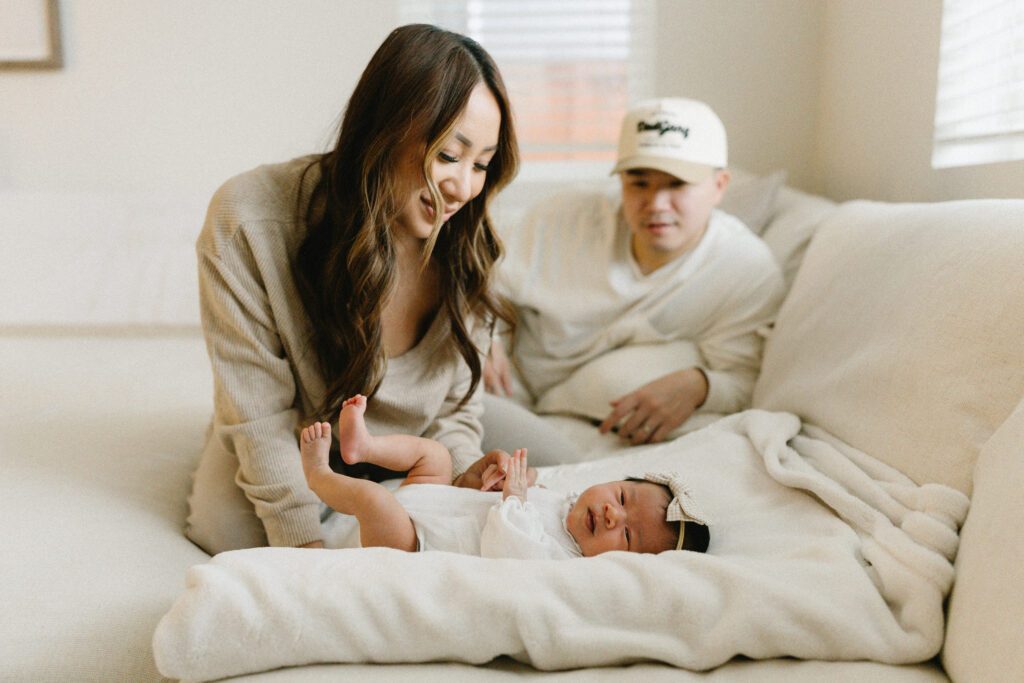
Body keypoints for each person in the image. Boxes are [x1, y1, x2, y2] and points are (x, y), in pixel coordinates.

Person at [186, 24, 530, 555]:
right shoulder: (250, 218)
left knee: (562, 463)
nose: (463, 187)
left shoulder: (468, 241)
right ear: (385, 128)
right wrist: (304, 546)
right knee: (225, 532)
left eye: (481, 164)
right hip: (299, 434)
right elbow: (258, 413)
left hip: (417, 440)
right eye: (447, 155)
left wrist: (463, 474)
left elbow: (453, 414)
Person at [483, 97, 784, 451]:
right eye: (638, 183)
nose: (656, 204)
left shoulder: (746, 269)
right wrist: (481, 331)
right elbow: (474, 275)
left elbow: (748, 378)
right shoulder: (568, 216)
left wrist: (700, 385)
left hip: (581, 419)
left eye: (676, 184)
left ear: (720, 185)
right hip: (505, 382)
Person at [300, 394, 711, 558]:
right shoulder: (571, 504)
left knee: (376, 503)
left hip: (414, 542)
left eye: (626, 537)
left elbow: (510, 548)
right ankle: (363, 448)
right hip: (438, 500)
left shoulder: (560, 557)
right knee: (436, 455)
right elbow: (530, 495)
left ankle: (320, 474)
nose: (610, 515)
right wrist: (516, 480)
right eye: (622, 498)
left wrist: (514, 499)